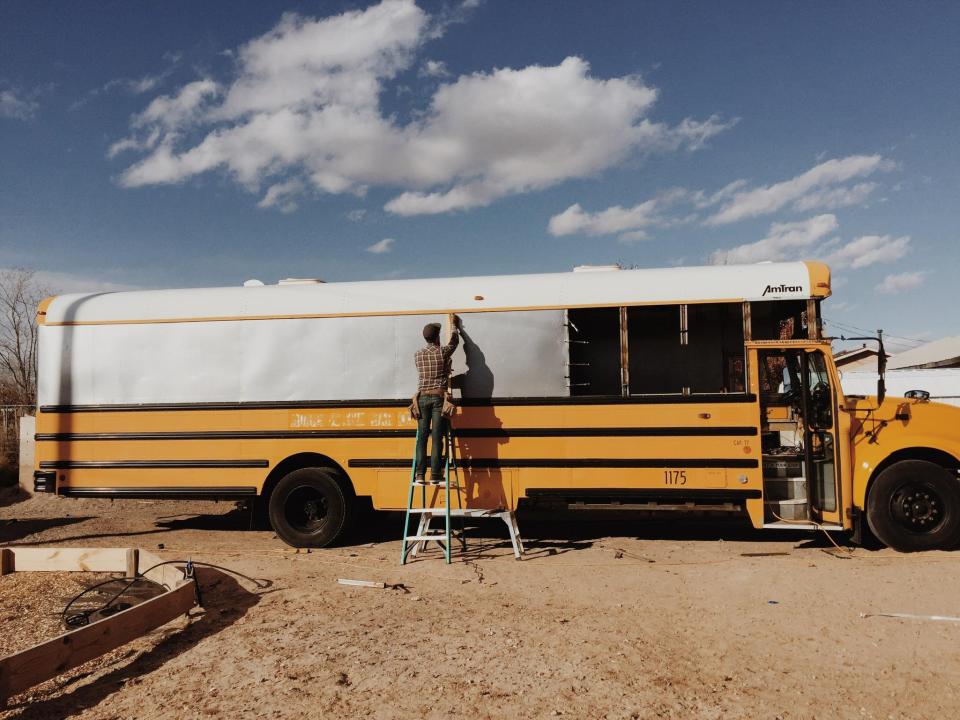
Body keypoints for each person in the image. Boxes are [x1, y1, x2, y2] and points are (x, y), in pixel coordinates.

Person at [412, 317, 460, 484]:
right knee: (437, 436)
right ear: (437, 337)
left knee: (422, 437)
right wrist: (455, 326)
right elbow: (454, 343)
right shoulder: (442, 352)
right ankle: (435, 475)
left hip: (422, 398)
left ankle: (419, 474)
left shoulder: (418, 355)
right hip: (438, 398)